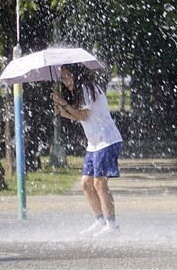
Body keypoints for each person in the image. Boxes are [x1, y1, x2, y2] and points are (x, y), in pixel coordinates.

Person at [50, 64, 123, 238]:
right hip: (94, 144)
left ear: (77, 74)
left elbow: (83, 116)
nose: (65, 81)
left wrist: (64, 103)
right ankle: (100, 221)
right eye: (63, 78)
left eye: (67, 76)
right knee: (86, 183)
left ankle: (111, 225)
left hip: (107, 141)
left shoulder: (87, 87)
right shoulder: (80, 91)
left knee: (99, 183)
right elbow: (79, 116)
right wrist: (63, 112)